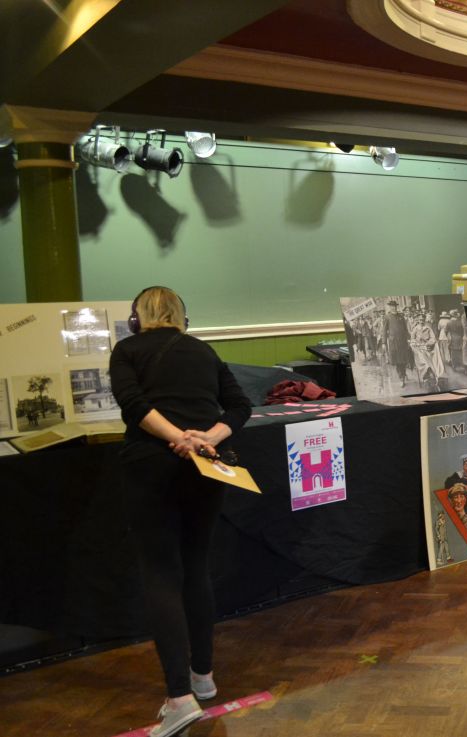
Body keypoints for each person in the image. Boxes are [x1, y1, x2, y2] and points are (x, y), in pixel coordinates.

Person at [109, 286, 252, 737]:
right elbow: (240, 406)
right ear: (182, 319)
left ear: (137, 319)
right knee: (195, 567)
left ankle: (178, 698)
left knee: (159, 573)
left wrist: (177, 438)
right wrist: (205, 439)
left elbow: (135, 408)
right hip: (205, 467)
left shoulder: (127, 350)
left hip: (151, 466)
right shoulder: (204, 352)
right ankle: (203, 678)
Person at [383, 300, 413, 385]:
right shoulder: (387, 317)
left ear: (396, 306)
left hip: (402, 342)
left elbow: (405, 329)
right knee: (397, 361)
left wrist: (409, 338)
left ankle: (403, 374)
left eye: (395, 306)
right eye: (392, 306)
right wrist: (383, 343)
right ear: (390, 307)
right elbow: (384, 331)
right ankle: (401, 378)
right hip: (393, 342)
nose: (394, 307)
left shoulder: (401, 316)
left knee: (403, 360)